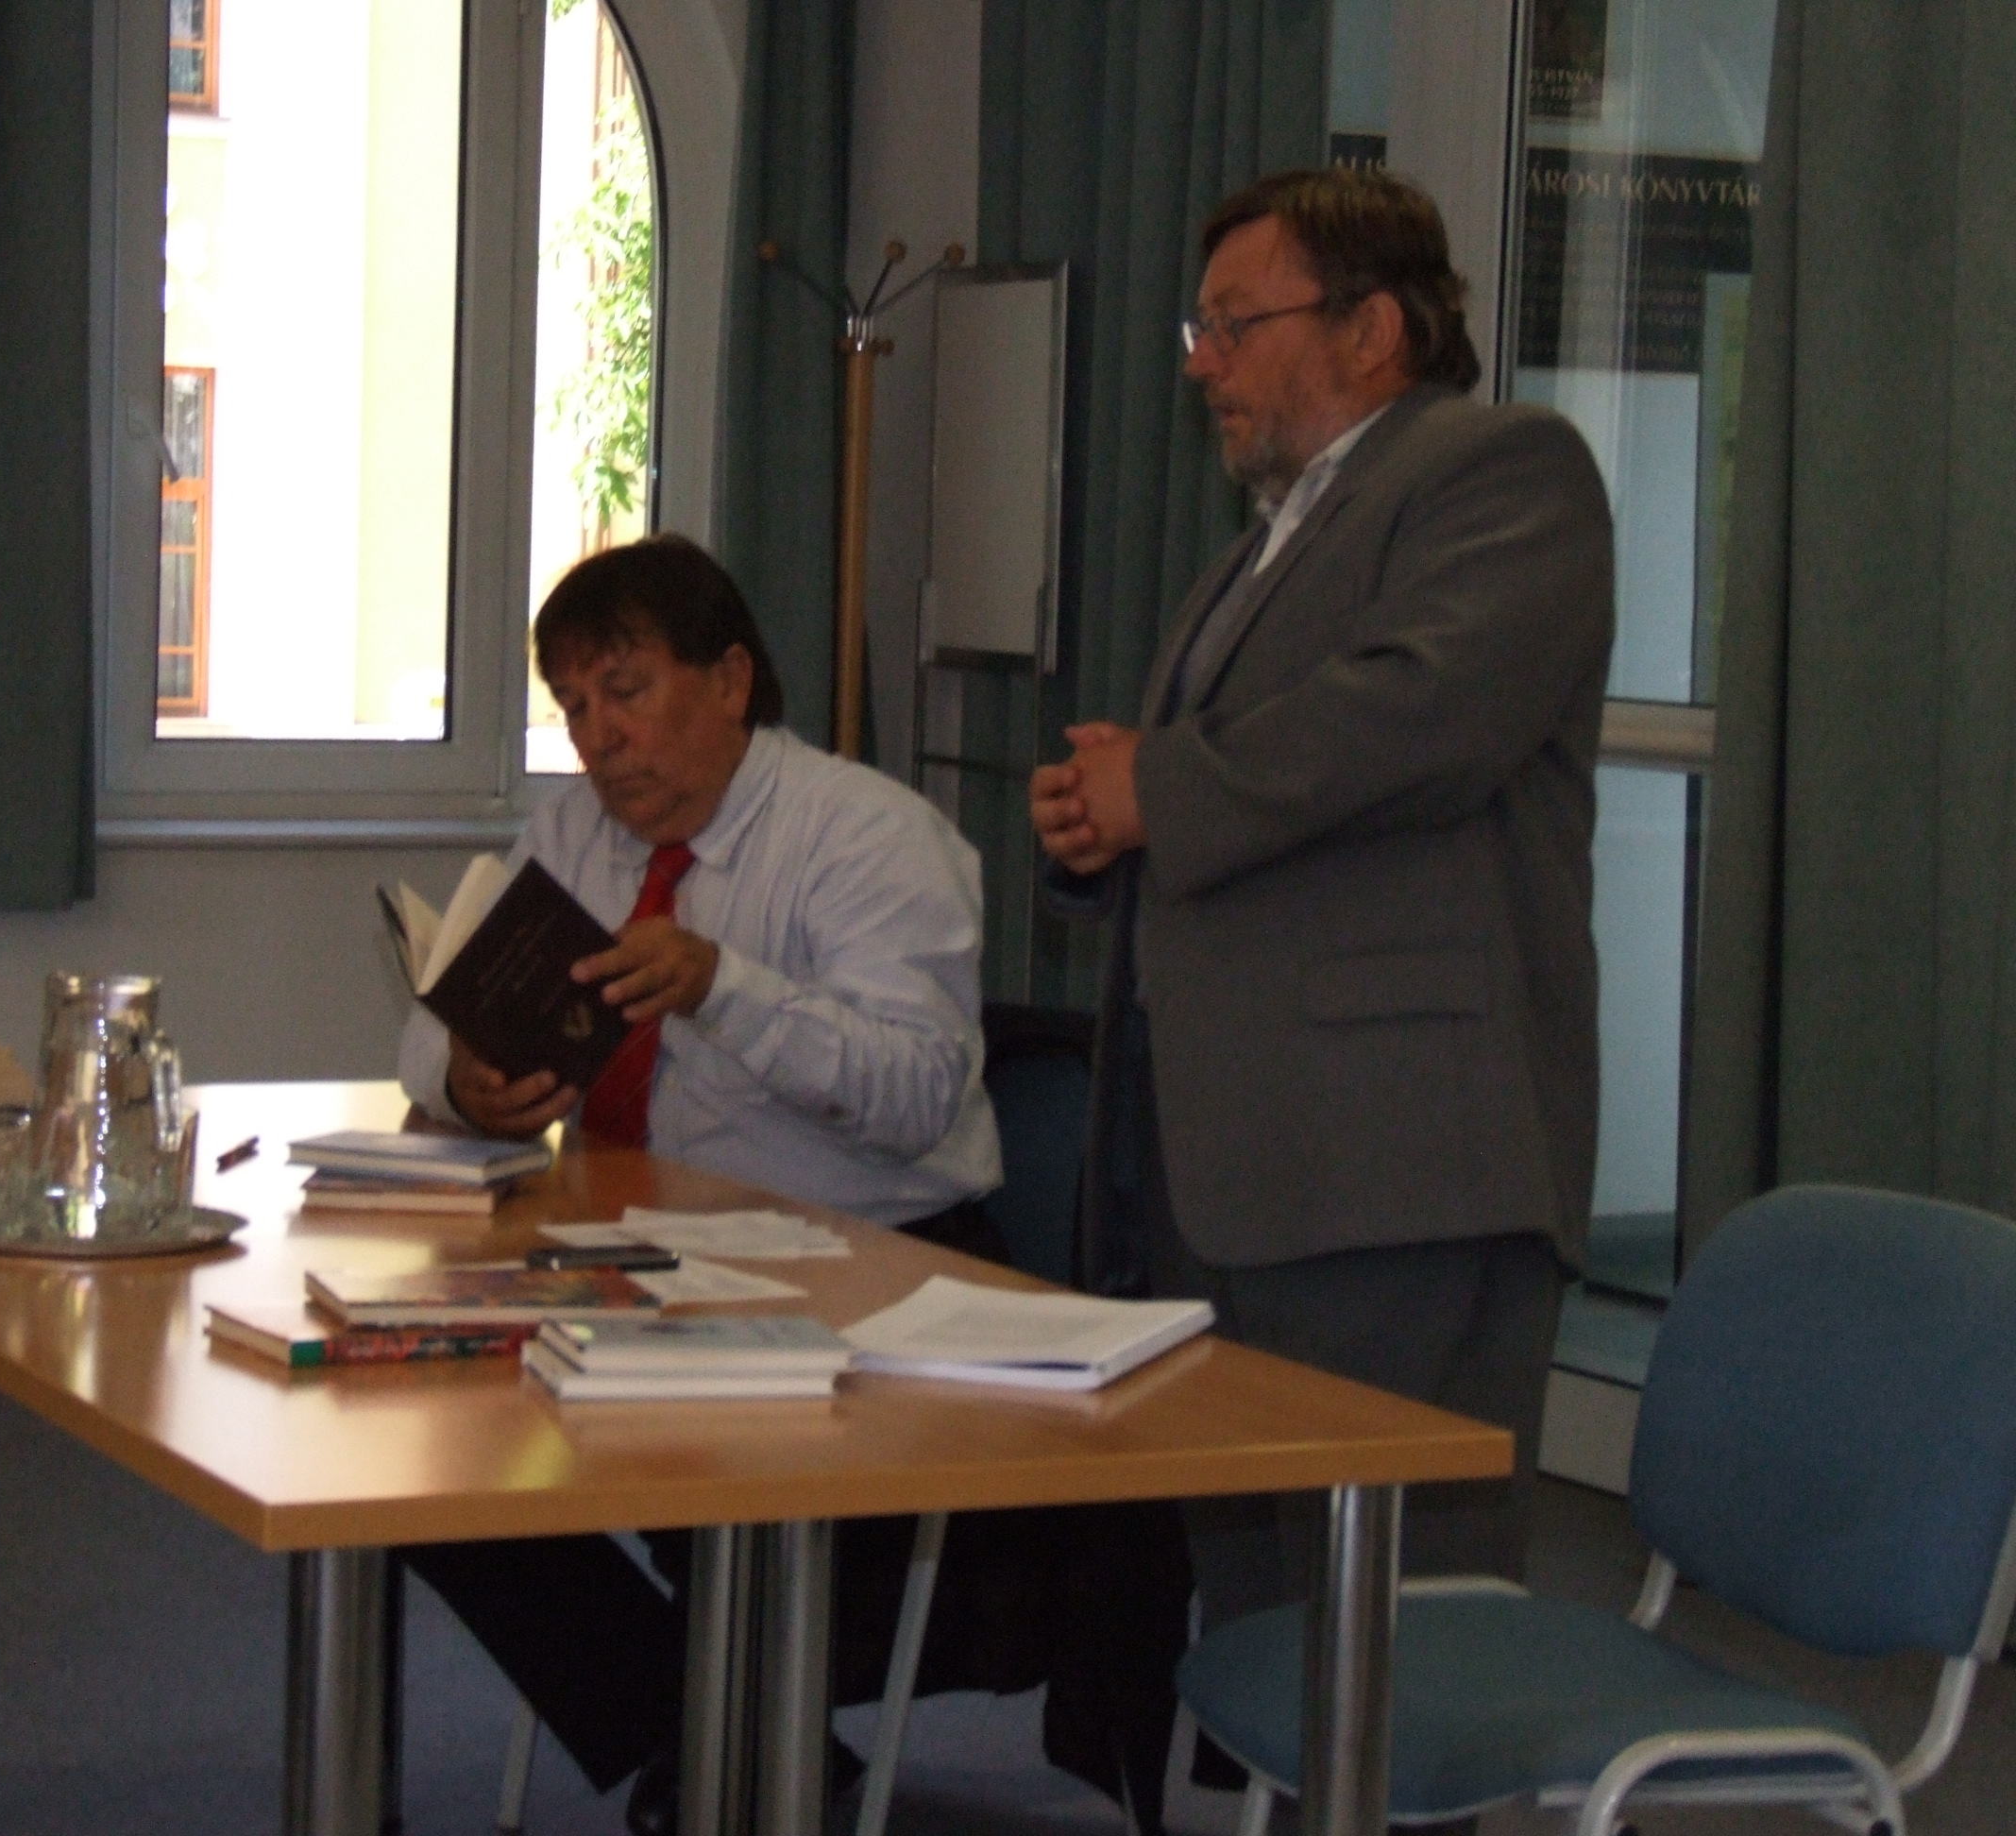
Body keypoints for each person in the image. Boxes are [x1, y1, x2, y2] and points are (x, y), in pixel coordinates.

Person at [1030, 166, 1613, 1695]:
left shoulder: (1505, 469)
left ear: (1371, 329)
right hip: (1238, 1169)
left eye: (1236, 324)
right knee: (1270, 1633)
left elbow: (1418, 716)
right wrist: (1103, 821)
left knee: (1400, 1648)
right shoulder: (1265, 541)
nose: (1202, 363)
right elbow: (1245, 798)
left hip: (1400, 1170)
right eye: (1200, 328)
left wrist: (1158, 784)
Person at [396, 535, 1012, 1831]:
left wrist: (727, 988)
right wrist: (465, 1077)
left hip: (864, 1272)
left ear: (729, 680)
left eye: (624, 691)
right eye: (573, 707)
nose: (596, 738)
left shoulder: (868, 836)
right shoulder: (573, 832)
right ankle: (709, 1730)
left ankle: (720, 1739)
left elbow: (916, 1093)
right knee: (417, 1440)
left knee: (618, 1442)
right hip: (643, 1263)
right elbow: (435, 1014)